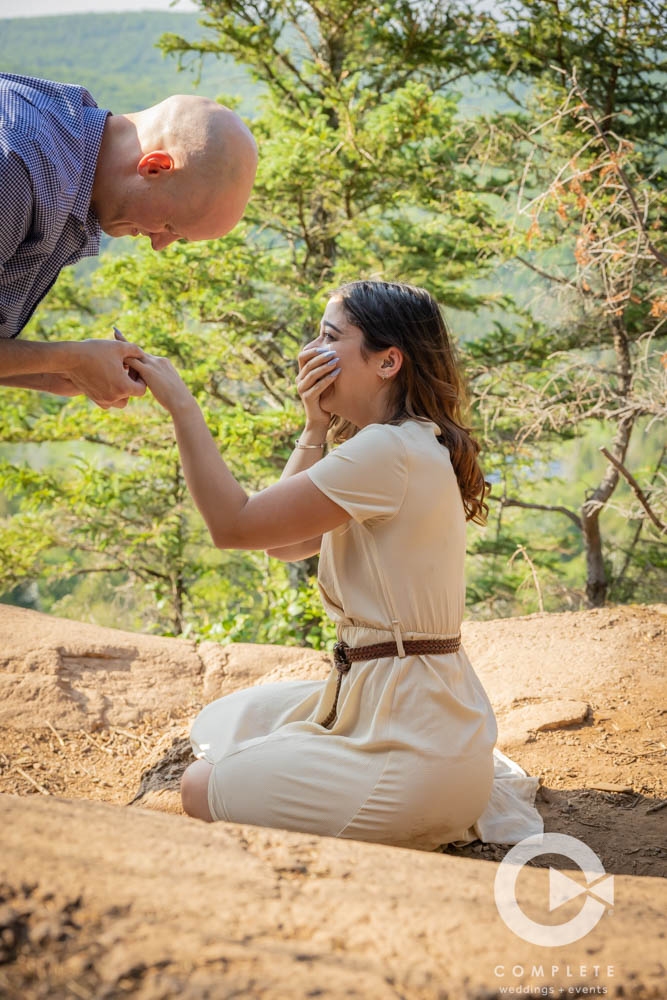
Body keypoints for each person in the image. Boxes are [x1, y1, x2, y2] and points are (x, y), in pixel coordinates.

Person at [126, 279, 543, 851]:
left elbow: (235, 527)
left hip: (408, 744)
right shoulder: (399, 443)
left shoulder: (387, 452)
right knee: (226, 721)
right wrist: (314, 427)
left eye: (329, 337)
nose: (310, 353)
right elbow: (285, 546)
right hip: (406, 706)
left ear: (388, 361)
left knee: (201, 786)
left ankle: (401, 804)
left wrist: (182, 403)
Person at [0, 72, 257, 409]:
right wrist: (69, 358)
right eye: (169, 225)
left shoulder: (65, 156)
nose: (158, 244)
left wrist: (54, 372)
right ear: (155, 167)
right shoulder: (16, 166)